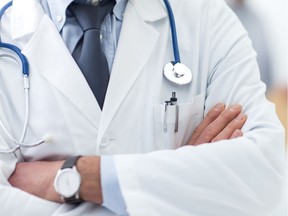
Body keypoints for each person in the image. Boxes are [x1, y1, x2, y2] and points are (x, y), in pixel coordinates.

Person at [0, 0, 285, 215]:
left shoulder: (206, 20)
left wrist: (79, 176)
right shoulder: (6, 34)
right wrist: (183, 188)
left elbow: (265, 176)